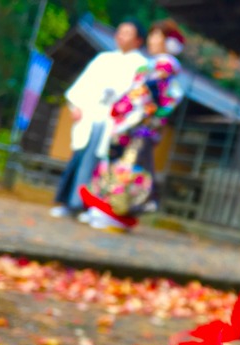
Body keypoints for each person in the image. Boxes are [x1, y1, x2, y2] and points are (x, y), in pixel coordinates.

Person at [80, 19, 185, 232]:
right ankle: (106, 209)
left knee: (126, 169)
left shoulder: (164, 66)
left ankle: (115, 212)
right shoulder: (154, 64)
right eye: (153, 35)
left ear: (170, 43)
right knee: (119, 165)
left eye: (158, 37)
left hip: (140, 125)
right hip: (132, 125)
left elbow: (145, 93)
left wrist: (124, 105)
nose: (153, 40)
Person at [49, 18, 148, 221]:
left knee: (102, 167)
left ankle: (92, 207)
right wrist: (75, 105)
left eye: (127, 32)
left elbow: (138, 98)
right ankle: (69, 203)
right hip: (92, 115)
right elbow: (84, 85)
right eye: (120, 31)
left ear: (138, 40)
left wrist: (124, 120)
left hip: (115, 123)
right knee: (80, 158)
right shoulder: (103, 59)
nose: (121, 36)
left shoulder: (142, 66)